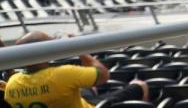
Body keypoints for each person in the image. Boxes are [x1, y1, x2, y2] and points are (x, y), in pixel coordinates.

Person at [3, 31, 148, 108]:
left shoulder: (12, 84)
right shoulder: (63, 74)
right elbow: (103, 75)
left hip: (70, 100)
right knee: (140, 84)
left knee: (88, 88)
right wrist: (77, 48)